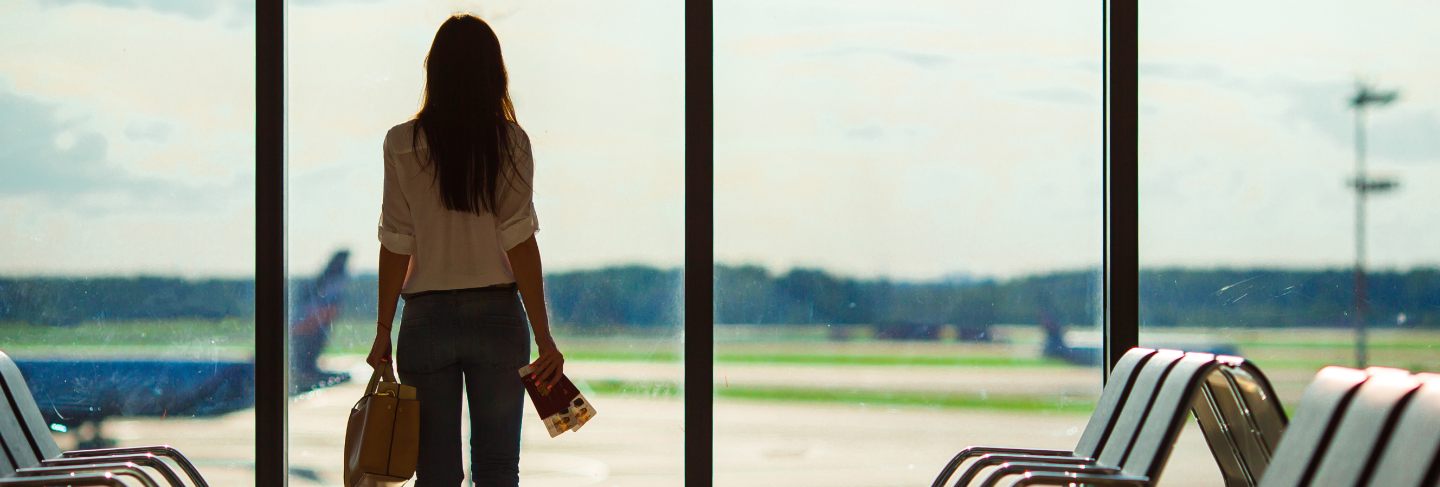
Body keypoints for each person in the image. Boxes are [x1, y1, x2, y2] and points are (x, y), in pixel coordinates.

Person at [367, 14, 564, 487]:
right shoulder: (511, 142)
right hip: (498, 318)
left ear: (433, 71)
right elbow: (519, 240)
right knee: (497, 469)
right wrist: (544, 335)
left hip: (426, 321)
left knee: (434, 474)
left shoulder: (401, 144)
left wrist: (381, 331)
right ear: (494, 73)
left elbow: (396, 243)